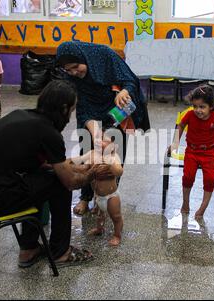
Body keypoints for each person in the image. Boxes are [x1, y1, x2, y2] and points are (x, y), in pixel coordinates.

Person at [0, 80, 103, 268]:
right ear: (65, 108)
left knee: (40, 179)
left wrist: (76, 165)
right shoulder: (49, 133)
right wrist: (93, 172)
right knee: (58, 185)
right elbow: (70, 182)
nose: (71, 116)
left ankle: (29, 249)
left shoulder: (21, 116)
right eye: (73, 109)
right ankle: (60, 252)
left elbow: (42, 165)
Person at [56, 41, 151, 216]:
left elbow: (130, 79)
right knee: (88, 147)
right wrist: (96, 133)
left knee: (114, 152)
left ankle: (107, 194)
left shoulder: (104, 54)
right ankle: (85, 197)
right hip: (89, 108)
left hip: (116, 105)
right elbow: (83, 107)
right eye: (69, 70)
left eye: (76, 67)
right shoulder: (71, 77)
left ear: (83, 58)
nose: (74, 73)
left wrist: (124, 91)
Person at [169, 85, 214, 220]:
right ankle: (186, 202)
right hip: (192, 151)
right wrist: (175, 143)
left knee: (210, 179)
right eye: (195, 106)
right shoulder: (189, 115)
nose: (198, 110)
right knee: (188, 177)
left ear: (211, 106)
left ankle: (202, 208)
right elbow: (181, 125)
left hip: (210, 151)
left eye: (202, 107)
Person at [74, 124, 124, 246]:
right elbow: (78, 160)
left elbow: (119, 171)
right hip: (98, 195)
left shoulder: (113, 157)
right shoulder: (92, 154)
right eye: (97, 139)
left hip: (111, 196)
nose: (98, 141)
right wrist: (71, 163)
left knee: (116, 217)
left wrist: (110, 165)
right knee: (99, 215)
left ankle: (117, 235)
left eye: (103, 140)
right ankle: (99, 228)